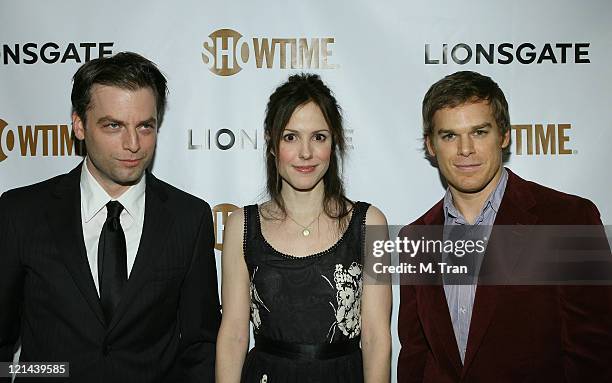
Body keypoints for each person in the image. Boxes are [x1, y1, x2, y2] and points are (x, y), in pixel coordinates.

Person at [0, 52, 221, 382]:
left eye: (145, 126)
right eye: (113, 126)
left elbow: (200, 345)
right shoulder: (21, 213)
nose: (133, 144)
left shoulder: (189, 218)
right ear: (79, 125)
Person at [397, 70, 612, 382]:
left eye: (479, 132)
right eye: (449, 136)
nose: (465, 149)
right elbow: (416, 357)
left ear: (505, 135)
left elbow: (596, 352)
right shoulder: (414, 238)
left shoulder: (567, 218)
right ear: (431, 145)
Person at [216, 74, 391, 382]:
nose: (306, 153)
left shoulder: (370, 224)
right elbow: (233, 336)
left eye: (319, 137)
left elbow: (377, 338)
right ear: (271, 143)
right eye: (291, 137)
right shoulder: (242, 226)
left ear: (334, 141)